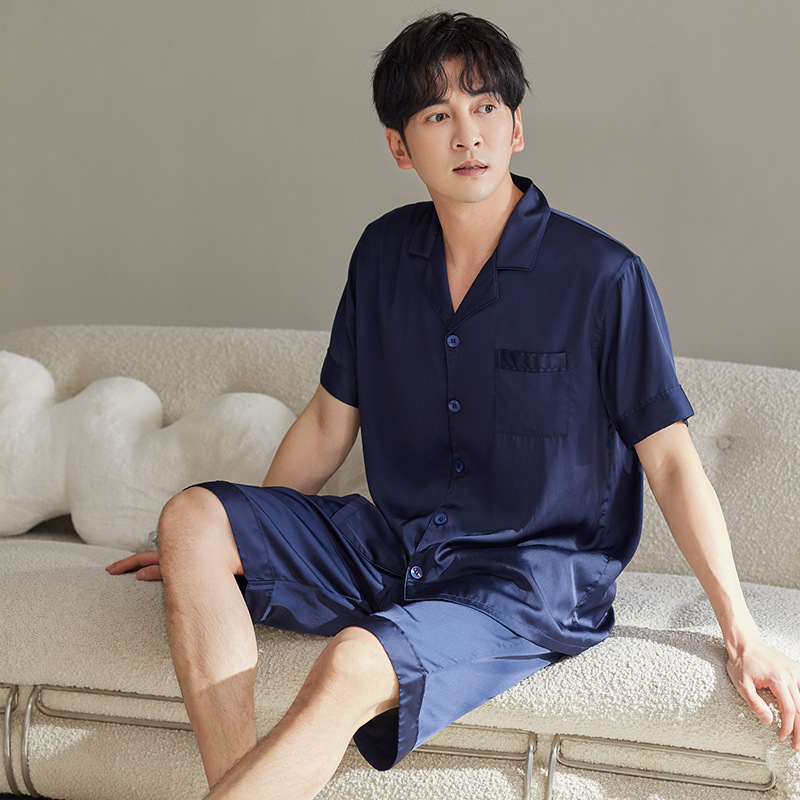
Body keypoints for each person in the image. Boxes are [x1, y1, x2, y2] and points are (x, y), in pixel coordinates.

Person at [108, 11, 800, 800]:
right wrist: (239, 550)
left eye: (485, 108)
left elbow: (670, 462)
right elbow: (330, 422)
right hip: (395, 547)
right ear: (400, 147)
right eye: (438, 115)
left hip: (526, 584)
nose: (468, 134)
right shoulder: (382, 254)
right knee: (193, 519)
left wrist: (742, 634)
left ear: (516, 129)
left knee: (350, 662)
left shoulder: (603, 277)